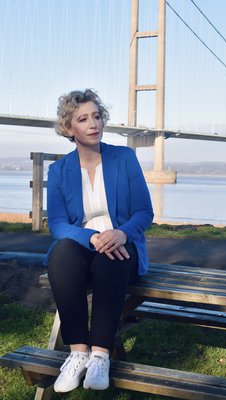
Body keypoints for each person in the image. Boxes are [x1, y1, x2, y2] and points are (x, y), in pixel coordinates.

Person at [45, 88, 153, 393]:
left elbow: (144, 212)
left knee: (112, 255)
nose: (93, 123)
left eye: (96, 116)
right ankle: (78, 352)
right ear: (69, 128)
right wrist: (91, 237)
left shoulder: (124, 158)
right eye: (83, 119)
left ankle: (101, 355)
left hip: (121, 247)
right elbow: (57, 224)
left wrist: (120, 233)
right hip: (81, 248)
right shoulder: (59, 171)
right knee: (61, 253)